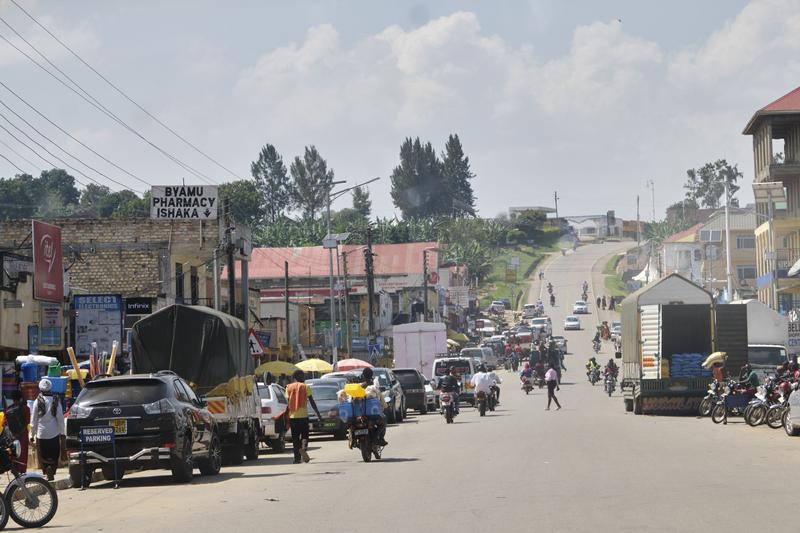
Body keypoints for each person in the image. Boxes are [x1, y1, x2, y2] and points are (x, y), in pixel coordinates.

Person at [30, 377, 65, 480]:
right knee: (54, 453)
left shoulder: (37, 401)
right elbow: (60, 418)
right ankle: (52, 470)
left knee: (43, 455)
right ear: (50, 388)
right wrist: (63, 433)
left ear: (40, 389)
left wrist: (31, 435)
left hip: (41, 433)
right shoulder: (56, 400)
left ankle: (46, 469)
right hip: (54, 433)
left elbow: (33, 420)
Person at [285, 369, 322, 464]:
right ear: (299, 377)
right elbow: (312, 401)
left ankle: (296, 459)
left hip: (293, 417)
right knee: (305, 436)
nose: (304, 378)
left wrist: (285, 417)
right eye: (303, 376)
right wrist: (318, 414)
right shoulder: (305, 387)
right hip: (303, 417)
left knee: (295, 439)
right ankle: (303, 448)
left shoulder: (288, 387)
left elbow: (287, 403)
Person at [360, 368, 388, 446]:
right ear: (371, 375)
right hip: (373, 416)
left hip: (361, 415)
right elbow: (382, 401)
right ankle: (379, 438)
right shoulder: (375, 387)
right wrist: (385, 406)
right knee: (383, 421)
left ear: (363, 375)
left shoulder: (361, 386)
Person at [4, 390, 30, 473]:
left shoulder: (8, 409)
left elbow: (5, 423)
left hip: (12, 435)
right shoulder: (26, 408)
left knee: (14, 452)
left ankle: (15, 469)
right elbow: (28, 421)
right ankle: (22, 470)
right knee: (23, 453)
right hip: (23, 434)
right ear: (21, 397)